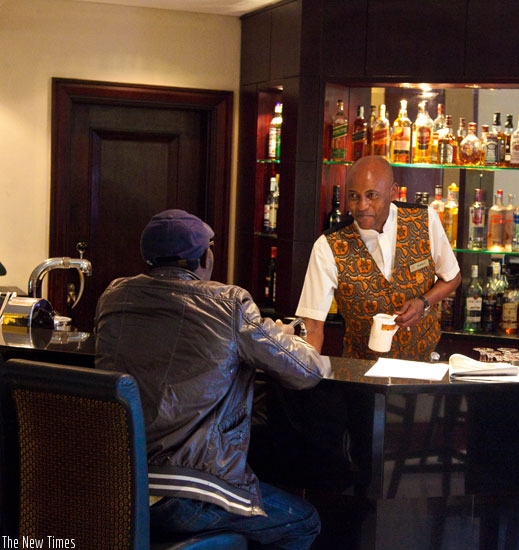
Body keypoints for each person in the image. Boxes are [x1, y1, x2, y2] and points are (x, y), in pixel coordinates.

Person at [95, 209, 329, 549]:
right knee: (303, 521)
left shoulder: (114, 297)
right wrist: (285, 338)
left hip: (122, 486)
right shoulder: (229, 304)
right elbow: (307, 371)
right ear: (204, 256)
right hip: (194, 491)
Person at [296, 155, 462, 360]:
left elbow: (452, 277)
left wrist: (423, 302)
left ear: (392, 192)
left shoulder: (424, 220)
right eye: (354, 196)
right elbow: (312, 325)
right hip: (360, 370)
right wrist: (305, 377)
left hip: (423, 366)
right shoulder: (328, 246)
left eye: (371, 195)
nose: (362, 206)